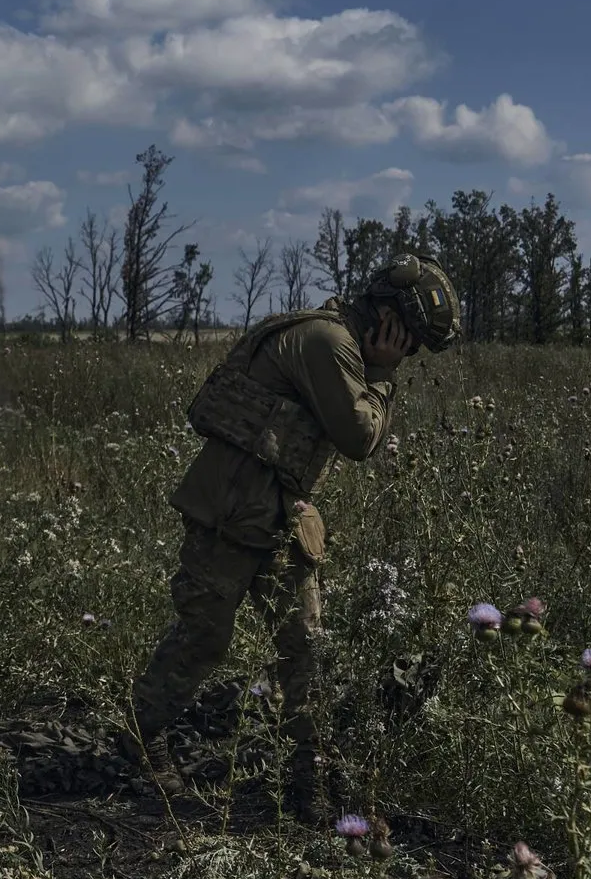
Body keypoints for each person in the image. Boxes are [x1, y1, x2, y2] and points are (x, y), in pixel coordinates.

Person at [122, 252, 461, 822]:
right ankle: (141, 739)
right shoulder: (328, 343)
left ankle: (309, 778)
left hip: (280, 516)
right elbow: (359, 437)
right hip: (230, 512)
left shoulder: (338, 341)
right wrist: (381, 376)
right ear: (392, 318)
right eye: (412, 342)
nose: (409, 355)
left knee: (306, 648)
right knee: (203, 637)